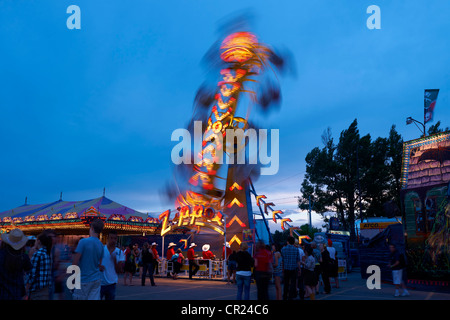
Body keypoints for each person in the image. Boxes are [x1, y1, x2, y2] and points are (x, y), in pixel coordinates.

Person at [72, 219, 104, 300]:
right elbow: (100, 265)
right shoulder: (101, 245)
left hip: (83, 279)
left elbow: (75, 263)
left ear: (92, 228)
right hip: (96, 279)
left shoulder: (83, 242)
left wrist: (72, 280)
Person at [0, 229, 32, 300]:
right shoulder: (23, 256)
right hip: (17, 292)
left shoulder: (1, 254)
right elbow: (30, 271)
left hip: (2, 292)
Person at [26, 231, 53, 300]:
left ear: (38, 241)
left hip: (36, 290)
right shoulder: (47, 254)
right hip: (45, 289)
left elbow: (32, 274)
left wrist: (26, 289)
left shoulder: (37, 254)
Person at [100, 230, 125, 300]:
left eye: (115, 238)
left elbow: (119, 271)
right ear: (108, 238)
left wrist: (114, 261)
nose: (113, 240)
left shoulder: (119, 252)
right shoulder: (101, 249)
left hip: (112, 283)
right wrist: (99, 266)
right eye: (111, 238)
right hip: (100, 282)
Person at [281, 236, 301, 300]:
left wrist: (282, 269)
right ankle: (291, 295)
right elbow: (298, 260)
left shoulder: (283, 249)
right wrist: (299, 269)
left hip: (286, 268)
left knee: (286, 283)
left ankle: (285, 295)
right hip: (293, 268)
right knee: (293, 282)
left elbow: (282, 260)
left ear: (288, 241)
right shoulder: (296, 249)